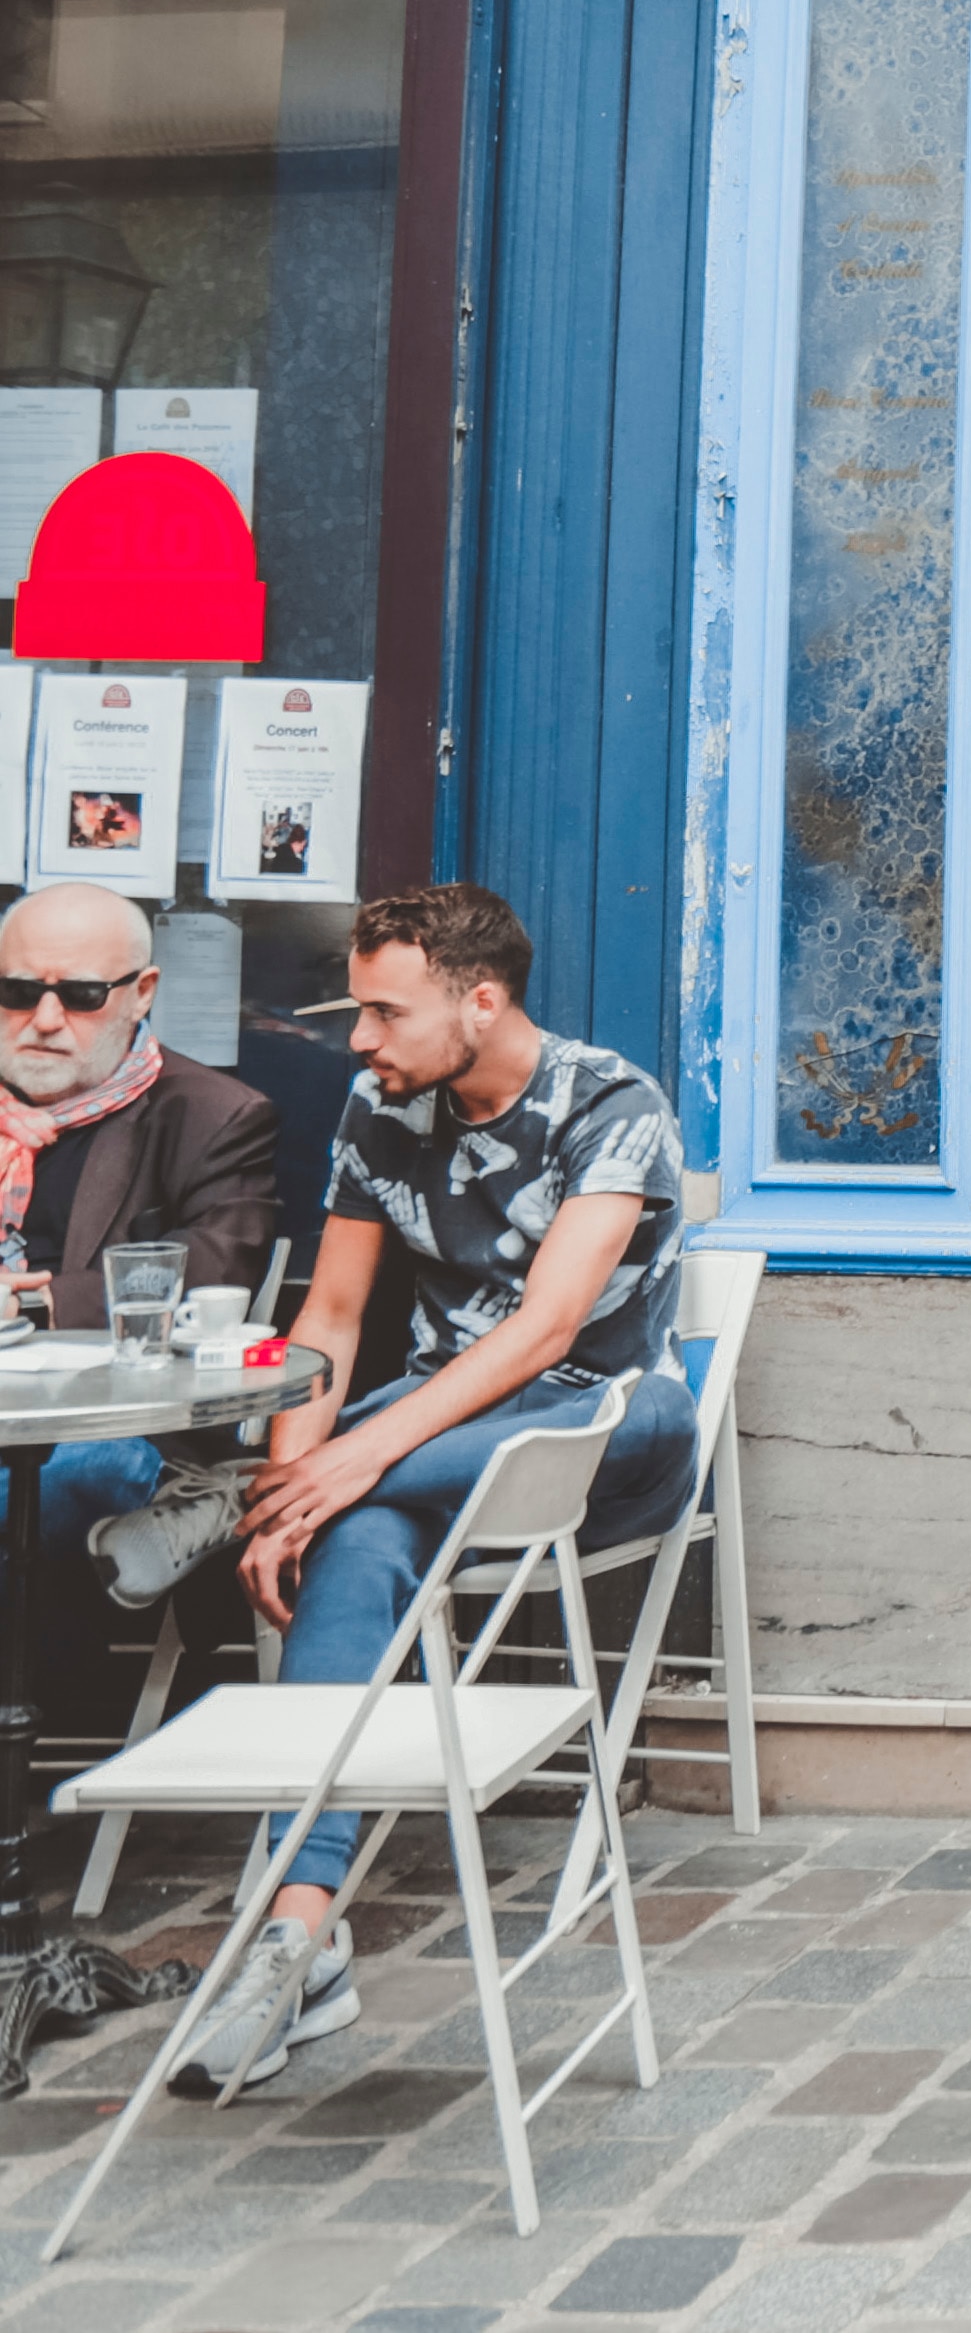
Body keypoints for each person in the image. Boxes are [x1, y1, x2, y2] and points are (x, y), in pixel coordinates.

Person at [175, 882, 696, 2104]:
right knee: (352, 1530)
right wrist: (306, 1467)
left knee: (358, 1488)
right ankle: (298, 1935)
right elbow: (336, 1314)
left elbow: (545, 1329)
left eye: (382, 1012)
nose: (358, 1040)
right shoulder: (381, 1106)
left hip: (602, 1428)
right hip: (433, 1443)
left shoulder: (609, 1103)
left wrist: (329, 1464)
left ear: (482, 998)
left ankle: (217, 1505)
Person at [0, 883, 285, 1638]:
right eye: (18, 991)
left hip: (104, 1425)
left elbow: (217, 1266)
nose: (46, 1019)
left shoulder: (213, 1114)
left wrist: (35, 1304)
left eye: (84, 994)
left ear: (141, 993)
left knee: (73, 1474)